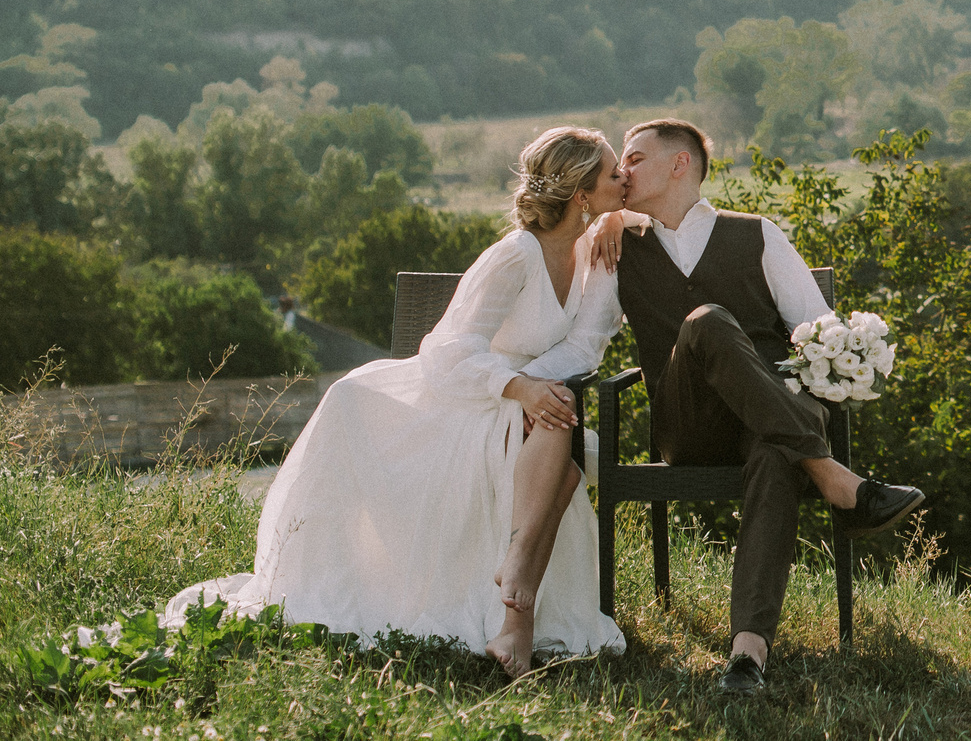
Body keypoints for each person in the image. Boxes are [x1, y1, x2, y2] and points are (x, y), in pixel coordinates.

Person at [165, 127, 630, 677]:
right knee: (558, 433)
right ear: (581, 194)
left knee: (556, 422)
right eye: (614, 174)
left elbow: (584, 346)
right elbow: (447, 349)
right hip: (459, 399)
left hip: (515, 402)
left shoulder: (600, 249)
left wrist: (623, 218)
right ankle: (518, 608)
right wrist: (519, 389)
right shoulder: (516, 256)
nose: (626, 179)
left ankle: (517, 595)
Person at [599, 117, 922, 695]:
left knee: (777, 455)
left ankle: (748, 653)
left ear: (681, 164)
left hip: (767, 419)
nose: (622, 170)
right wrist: (599, 220)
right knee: (706, 322)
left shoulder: (757, 234)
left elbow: (816, 330)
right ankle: (835, 479)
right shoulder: (619, 245)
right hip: (688, 424)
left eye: (635, 157)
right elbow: (582, 330)